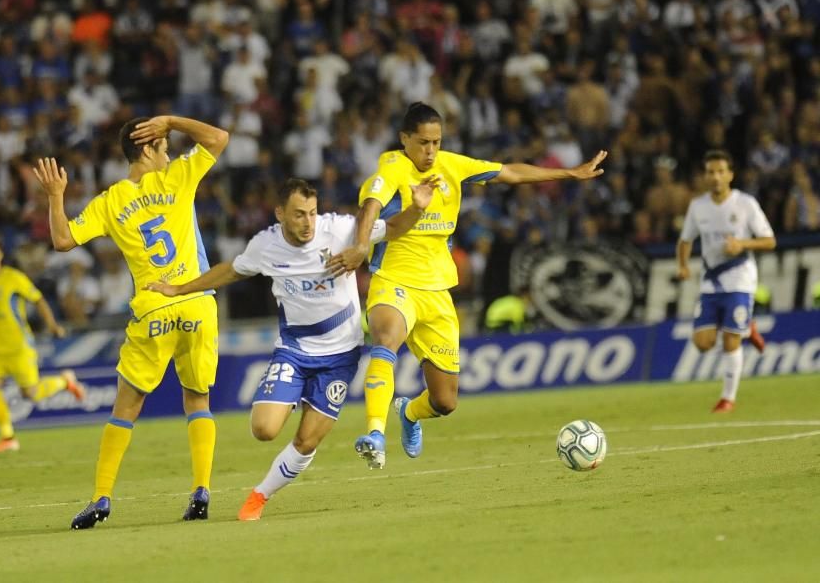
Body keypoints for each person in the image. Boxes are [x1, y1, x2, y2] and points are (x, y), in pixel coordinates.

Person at [327, 102, 606, 469]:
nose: (430, 151)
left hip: (438, 290)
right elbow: (371, 206)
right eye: (423, 142)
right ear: (404, 139)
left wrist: (568, 173)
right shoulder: (393, 165)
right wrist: (362, 247)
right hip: (394, 280)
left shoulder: (453, 165)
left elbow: (510, 173)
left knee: (445, 402)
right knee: (385, 340)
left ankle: (409, 413)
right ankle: (375, 434)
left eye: (436, 142)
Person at [148, 178, 434, 520]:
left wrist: (417, 207)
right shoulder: (266, 246)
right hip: (295, 352)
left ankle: (258, 497)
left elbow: (394, 227)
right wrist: (179, 289)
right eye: (299, 215)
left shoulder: (341, 230)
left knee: (307, 441)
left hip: (340, 357)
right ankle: (292, 394)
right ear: (280, 213)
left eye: (312, 213)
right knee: (264, 430)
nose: (308, 222)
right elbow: (232, 271)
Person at [33, 115, 229, 528]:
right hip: (196, 302)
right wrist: (172, 119)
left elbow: (63, 240)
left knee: (127, 404)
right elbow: (219, 137)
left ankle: (101, 498)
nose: (170, 152)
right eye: (165, 145)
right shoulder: (178, 177)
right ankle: (201, 490)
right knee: (197, 398)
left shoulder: (110, 201)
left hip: (154, 307)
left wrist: (55, 195)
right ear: (148, 149)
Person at [0, 238, 84, 453]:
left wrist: (52, 326)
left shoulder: (14, 278)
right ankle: (8, 437)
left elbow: (38, 300)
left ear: (0, 255)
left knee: (30, 394)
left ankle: (65, 381)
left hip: (20, 346)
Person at [676, 150, 776, 413]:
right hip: (711, 280)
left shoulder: (745, 204)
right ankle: (747, 326)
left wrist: (742, 243)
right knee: (703, 343)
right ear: (705, 176)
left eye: (721, 171)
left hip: (740, 277)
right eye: (711, 172)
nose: (716, 177)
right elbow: (685, 240)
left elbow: (769, 240)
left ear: (730, 175)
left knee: (731, 340)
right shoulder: (698, 207)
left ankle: (727, 399)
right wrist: (683, 266)